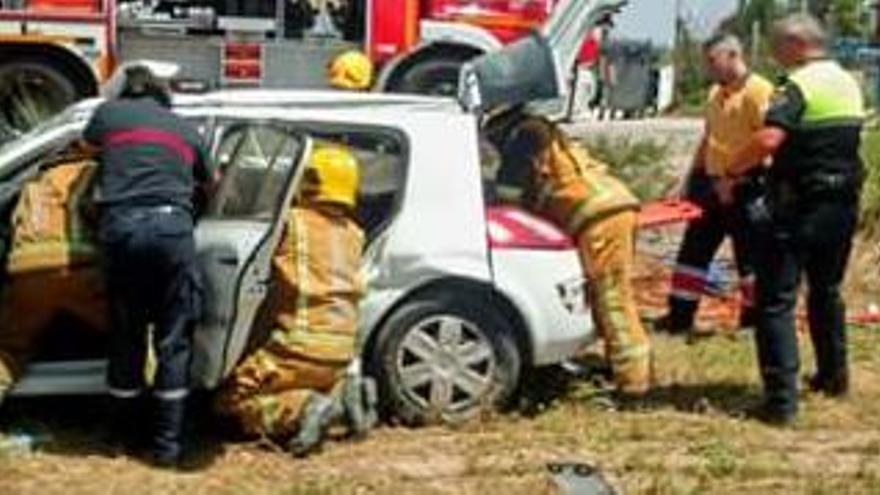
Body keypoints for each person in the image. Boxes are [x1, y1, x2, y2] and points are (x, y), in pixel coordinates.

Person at [727, 14, 865, 424]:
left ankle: (781, 403)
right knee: (826, 291)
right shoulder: (847, 81)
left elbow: (770, 138)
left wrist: (733, 169)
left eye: (776, 46)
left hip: (799, 206)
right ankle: (833, 377)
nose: (773, 54)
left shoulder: (798, 85)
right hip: (841, 204)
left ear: (796, 44)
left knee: (775, 302)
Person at [84, 63, 216, 466]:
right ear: (164, 97)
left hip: (121, 231)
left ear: (125, 91)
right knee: (173, 340)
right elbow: (211, 182)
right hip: (172, 233)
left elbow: (85, 152)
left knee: (127, 334)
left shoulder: (107, 114)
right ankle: (166, 448)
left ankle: (117, 439)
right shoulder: (185, 129)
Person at [215, 145, 376, 457]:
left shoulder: (290, 223)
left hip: (296, 345)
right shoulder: (354, 233)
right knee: (305, 380)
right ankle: (347, 393)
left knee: (230, 401)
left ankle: (303, 410)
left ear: (309, 180)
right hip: (341, 353)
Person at [500, 116, 651, 397]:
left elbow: (516, 204)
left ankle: (633, 385)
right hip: (612, 206)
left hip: (600, 219)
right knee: (604, 296)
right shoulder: (554, 143)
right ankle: (617, 366)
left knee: (613, 300)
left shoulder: (525, 150)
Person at [654, 33, 774, 336]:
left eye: (712, 61)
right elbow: (709, 138)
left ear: (733, 55)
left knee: (751, 259)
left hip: (747, 186)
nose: (709, 68)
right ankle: (679, 317)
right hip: (710, 184)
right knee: (693, 253)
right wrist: (688, 179)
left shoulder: (759, 92)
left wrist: (740, 180)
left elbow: (769, 142)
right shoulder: (714, 94)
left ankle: (753, 322)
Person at [0, 152, 108, 406]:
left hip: (27, 273)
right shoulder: (91, 172)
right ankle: (150, 408)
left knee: (9, 349)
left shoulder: (36, 181)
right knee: (130, 333)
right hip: (78, 269)